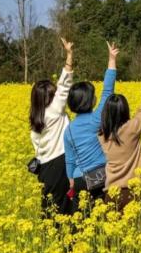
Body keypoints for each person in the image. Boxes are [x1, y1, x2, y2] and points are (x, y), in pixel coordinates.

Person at [64, 41, 119, 214]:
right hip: (102, 177)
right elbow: (107, 91)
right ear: (90, 101)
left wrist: (70, 179)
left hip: (81, 180)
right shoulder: (96, 120)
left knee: (82, 224)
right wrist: (111, 59)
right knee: (106, 220)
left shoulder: (69, 130)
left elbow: (70, 160)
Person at [98, 54, 141, 212]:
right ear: (125, 111)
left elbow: (105, 97)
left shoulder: (101, 135)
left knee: (113, 236)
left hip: (111, 195)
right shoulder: (132, 128)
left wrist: (111, 61)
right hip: (133, 193)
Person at [30, 38, 74, 218]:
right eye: (54, 93)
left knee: (50, 207)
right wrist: (69, 55)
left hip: (44, 169)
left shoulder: (35, 119)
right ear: (50, 97)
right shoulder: (54, 111)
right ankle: (67, 244)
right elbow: (65, 85)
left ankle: (50, 240)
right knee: (65, 208)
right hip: (60, 165)